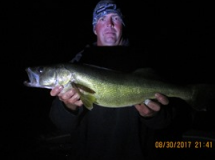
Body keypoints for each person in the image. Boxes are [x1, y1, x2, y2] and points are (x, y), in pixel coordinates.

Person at [48, 0, 183, 160]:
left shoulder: (144, 60)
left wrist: (153, 115)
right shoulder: (78, 63)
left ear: (122, 25)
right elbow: (61, 124)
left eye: (116, 18)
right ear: (94, 28)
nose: (109, 24)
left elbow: (167, 121)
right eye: (102, 19)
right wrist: (68, 106)